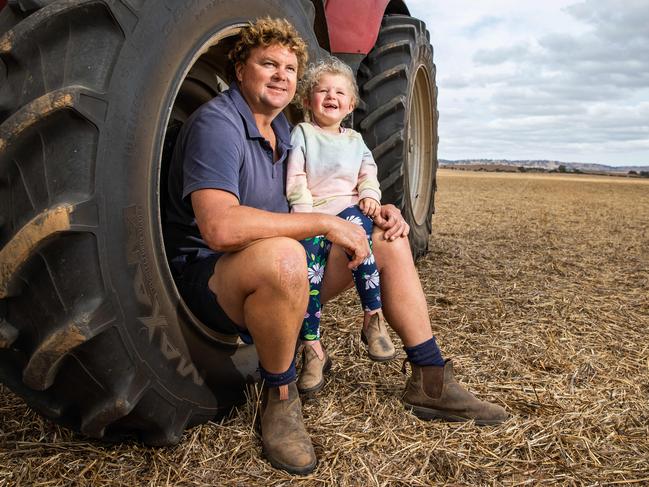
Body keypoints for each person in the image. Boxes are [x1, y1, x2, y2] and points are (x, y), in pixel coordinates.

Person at [165, 17, 508, 476]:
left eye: (289, 67)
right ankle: (281, 397)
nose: (281, 75)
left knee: (386, 238)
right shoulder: (218, 124)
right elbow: (220, 229)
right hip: (212, 279)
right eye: (268, 63)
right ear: (240, 69)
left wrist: (377, 209)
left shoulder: (285, 133)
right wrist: (327, 223)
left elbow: (330, 187)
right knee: (285, 254)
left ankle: (430, 377)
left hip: (279, 274)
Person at [286, 57, 396, 395]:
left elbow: (368, 172)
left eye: (340, 92)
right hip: (313, 211)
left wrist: (370, 196)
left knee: (363, 245)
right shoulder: (303, 133)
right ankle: (312, 347)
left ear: (350, 105)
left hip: (348, 207)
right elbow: (296, 175)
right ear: (307, 100)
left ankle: (372, 318)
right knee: (309, 274)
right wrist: (303, 213)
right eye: (322, 91)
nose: (331, 96)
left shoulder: (355, 140)